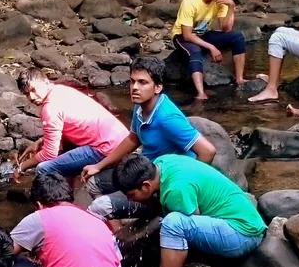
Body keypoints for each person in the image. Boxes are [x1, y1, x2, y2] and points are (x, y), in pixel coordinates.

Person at [114, 152, 266, 267]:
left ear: (146, 186)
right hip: (240, 221)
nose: (130, 200)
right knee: (170, 224)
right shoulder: (162, 163)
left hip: (243, 233)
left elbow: (189, 226)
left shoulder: (176, 189)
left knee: (173, 224)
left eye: (131, 195)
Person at [82, 56, 216, 222]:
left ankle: (135, 228)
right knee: (93, 182)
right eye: (132, 82)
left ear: (158, 87)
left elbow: (208, 151)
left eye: (143, 82)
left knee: (100, 206)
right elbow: (133, 138)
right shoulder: (141, 107)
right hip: (143, 173)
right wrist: (99, 165)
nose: (134, 88)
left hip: (160, 185)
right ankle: (120, 234)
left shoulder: (167, 118)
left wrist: (185, 186)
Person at [13, 69, 129, 181]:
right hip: (123, 140)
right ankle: (67, 191)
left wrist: (22, 167)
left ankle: (59, 199)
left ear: (46, 82)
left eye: (33, 90)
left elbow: (50, 154)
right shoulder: (60, 90)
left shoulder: (50, 108)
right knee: (64, 146)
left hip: (106, 148)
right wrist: (41, 141)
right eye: (27, 94)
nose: (31, 97)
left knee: (43, 168)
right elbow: (65, 125)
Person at [171, 0, 247, 101]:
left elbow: (226, 28)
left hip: (203, 34)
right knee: (195, 51)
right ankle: (200, 93)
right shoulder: (190, 2)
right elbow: (187, 35)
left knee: (237, 37)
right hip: (182, 36)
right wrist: (211, 47)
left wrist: (231, 7)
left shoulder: (220, 1)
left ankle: (239, 79)